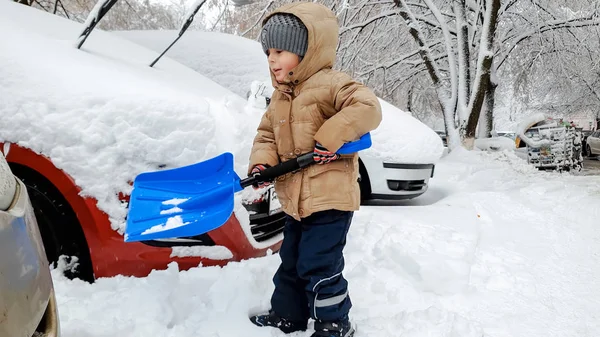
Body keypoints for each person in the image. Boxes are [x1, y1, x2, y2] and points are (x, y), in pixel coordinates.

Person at [247, 2, 382, 337]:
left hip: (329, 200)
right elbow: (267, 134)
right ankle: (288, 315)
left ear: (306, 51)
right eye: (268, 53)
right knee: (290, 261)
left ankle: (335, 322)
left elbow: (368, 108)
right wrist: (262, 164)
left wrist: (330, 137)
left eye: (280, 51)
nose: (272, 60)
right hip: (295, 201)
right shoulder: (280, 97)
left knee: (319, 264)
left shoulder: (331, 83)